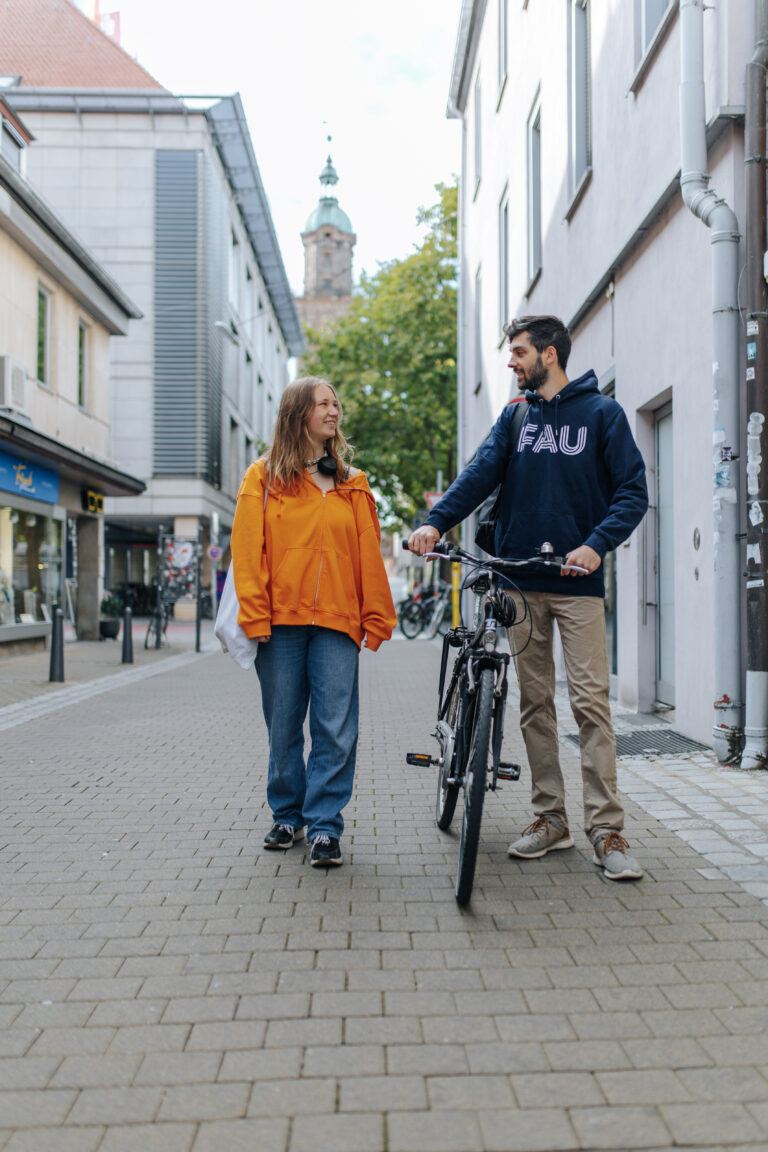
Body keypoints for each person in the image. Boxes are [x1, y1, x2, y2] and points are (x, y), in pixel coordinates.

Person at [408, 315, 649, 881]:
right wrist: (435, 523)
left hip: (577, 586)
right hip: (519, 582)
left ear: (549, 353)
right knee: (534, 705)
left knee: (591, 705)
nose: (512, 362)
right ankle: (550, 819)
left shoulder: (602, 415)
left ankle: (606, 829)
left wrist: (595, 545)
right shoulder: (515, 417)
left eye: (518, 352)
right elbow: (478, 475)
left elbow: (633, 491)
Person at [230, 377, 397, 868]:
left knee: (336, 728)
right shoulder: (262, 478)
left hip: (337, 622)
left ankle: (324, 827)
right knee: (283, 725)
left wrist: (376, 617)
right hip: (279, 622)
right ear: (297, 413)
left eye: (336, 404)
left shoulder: (352, 483)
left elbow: (368, 554)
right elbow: (246, 551)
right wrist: (254, 614)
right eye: (323, 403)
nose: (334, 411)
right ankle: (287, 814)